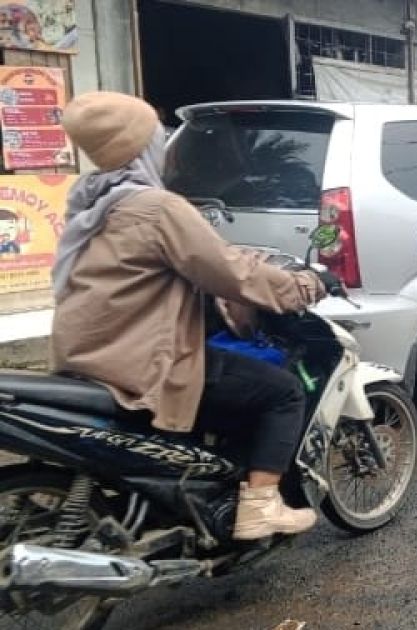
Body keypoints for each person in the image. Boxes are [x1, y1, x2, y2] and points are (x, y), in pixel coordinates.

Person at [50, 92, 330, 540]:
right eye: (156, 138)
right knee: (283, 392)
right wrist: (302, 287)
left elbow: (200, 256)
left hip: (87, 355)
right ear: (140, 148)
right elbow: (229, 275)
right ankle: (260, 505)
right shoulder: (157, 208)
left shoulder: (90, 202)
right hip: (142, 362)